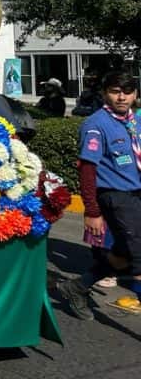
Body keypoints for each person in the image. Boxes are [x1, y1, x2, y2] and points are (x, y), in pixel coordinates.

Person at [57, 71, 141, 318]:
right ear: (106, 94)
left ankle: (77, 286)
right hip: (116, 197)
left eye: (127, 92)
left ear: (135, 94)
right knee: (138, 256)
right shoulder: (96, 124)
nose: (122, 97)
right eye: (116, 91)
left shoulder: (134, 120)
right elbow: (87, 170)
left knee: (124, 256)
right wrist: (92, 211)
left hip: (136, 193)